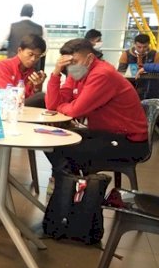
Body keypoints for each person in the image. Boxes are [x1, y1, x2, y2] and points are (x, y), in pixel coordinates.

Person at [45, 38, 148, 175]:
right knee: (52, 142)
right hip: (104, 133)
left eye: (75, 62)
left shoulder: (101, 74)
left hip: (128, 141)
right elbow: (52, 105)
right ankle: (70, 186)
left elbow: (75, 110)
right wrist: (56, 73)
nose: (71, 67)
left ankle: (68, 187)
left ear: (90, 58)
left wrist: (63, 106)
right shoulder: (78, 72)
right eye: (67, 64)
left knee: (63, 150)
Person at [0, 34, 47, 107]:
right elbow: (8, 95)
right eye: (30, 54)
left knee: (43, 98)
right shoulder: (2, 66)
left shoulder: (32, 73)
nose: (33, 59)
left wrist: (37, 87)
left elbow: (29, 98)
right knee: (41, 97)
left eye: (37, 56)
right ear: (20, 50)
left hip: (18, 111)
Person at [0, 3, 47, 72]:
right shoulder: (41, 28)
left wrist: (9, 46)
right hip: (32, 69)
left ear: (20, 13)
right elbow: (45, 50)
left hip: (12, 67)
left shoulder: (11, 26)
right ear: (32, 14)